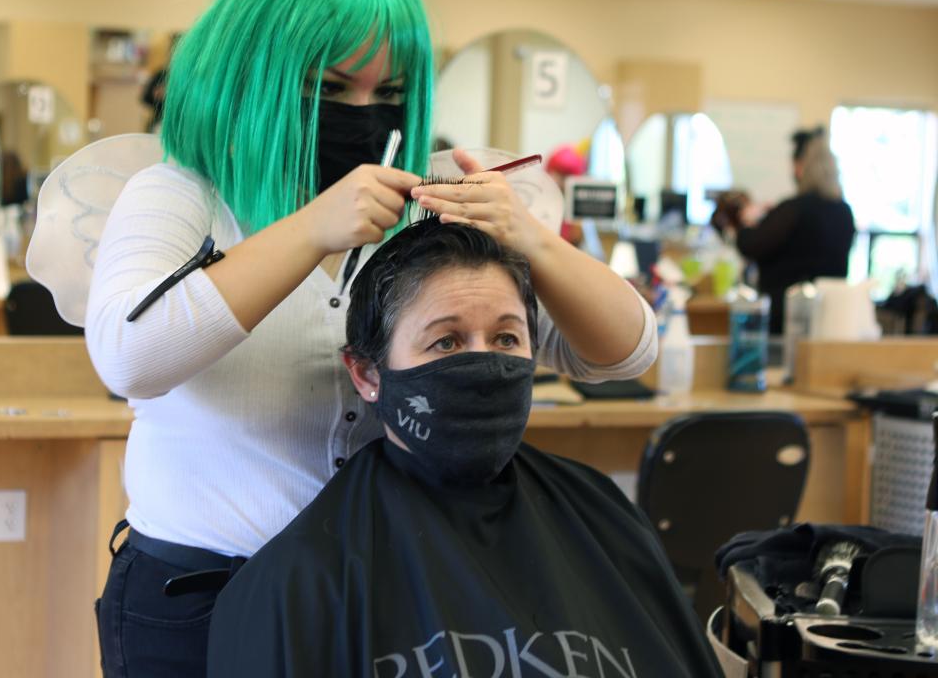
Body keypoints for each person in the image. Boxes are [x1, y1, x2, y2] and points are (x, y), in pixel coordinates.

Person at [85, 0, 655, 675]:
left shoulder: (422, 209)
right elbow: (127, 357)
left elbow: (621, 352)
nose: (363, 111)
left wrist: (532, 241)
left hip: (381, 600)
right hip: (203, 596)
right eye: (329, 89)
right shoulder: (180, 197)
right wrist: (310, 228)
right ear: (257, 81)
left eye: (387, 94)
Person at [207, 218, 720, 677]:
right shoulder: (301, 583)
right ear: (367, 375)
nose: (485, 365)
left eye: (505, 339)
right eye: (446, 342)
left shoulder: (602, 515)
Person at [735, 127, 856, 333]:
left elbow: (750, 245)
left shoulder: (793, 209)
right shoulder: (845, 212)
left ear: (800, 167)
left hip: (785, 320)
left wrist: (747, 221)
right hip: (828, 320)